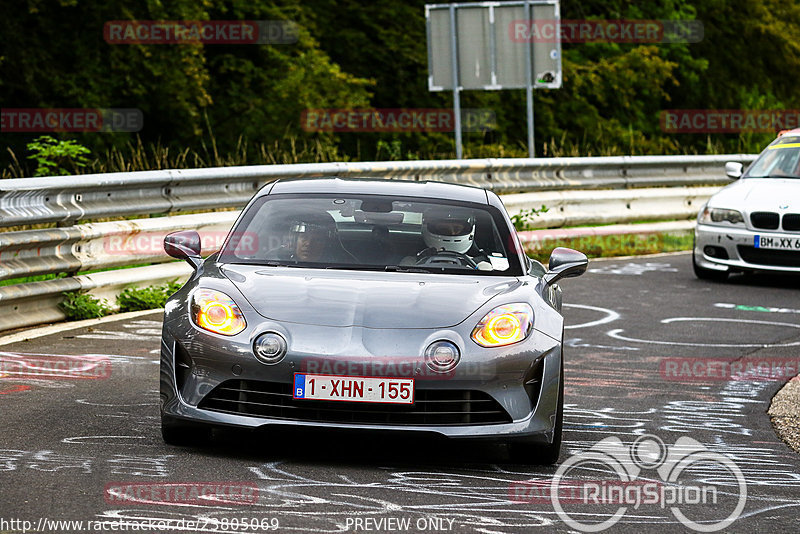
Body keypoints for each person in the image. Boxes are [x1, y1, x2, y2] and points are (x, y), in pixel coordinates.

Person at [402, 207, 494, 270]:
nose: (452, 233)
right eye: (444, 229)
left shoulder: (480, 266)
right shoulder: (411, 263)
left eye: (457, 229)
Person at [267, 210, 355, 263]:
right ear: (294, 241)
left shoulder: (344, 266)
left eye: (317, 240)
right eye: (304, 237)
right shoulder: (273, 261)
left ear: (327, 245)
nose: (309, 244)